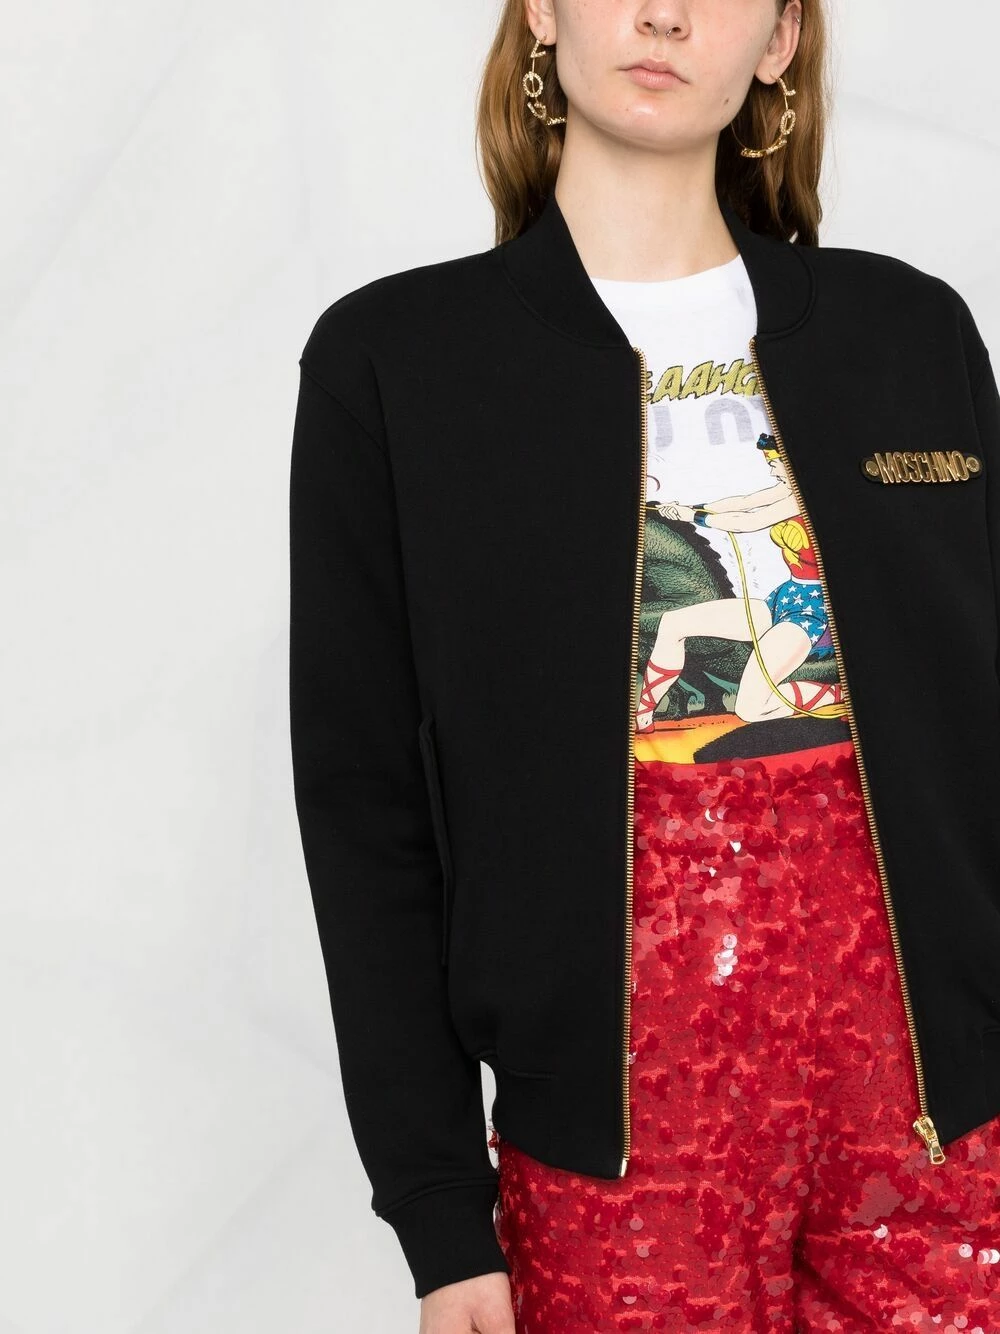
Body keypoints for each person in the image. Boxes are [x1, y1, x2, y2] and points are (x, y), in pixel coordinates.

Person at [288, 1, 1000, 1330]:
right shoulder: (398, 365)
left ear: (779, 40)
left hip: (950, 1142)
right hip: (618, 1164)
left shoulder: (911, 336)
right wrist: (441, 1214)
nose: (665, 11)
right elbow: (364, 808)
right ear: (543, 11)